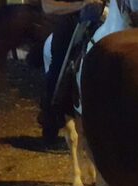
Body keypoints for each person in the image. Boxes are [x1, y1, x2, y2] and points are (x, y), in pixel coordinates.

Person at [38, 0, 102, 145]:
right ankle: (51, 111)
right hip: (73, 19)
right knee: (59, 61)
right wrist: (81, 5)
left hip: (105, 15)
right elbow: (47, 6)